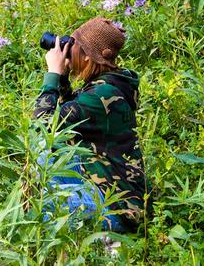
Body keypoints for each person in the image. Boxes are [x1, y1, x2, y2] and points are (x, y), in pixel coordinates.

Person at [33, 17, 152, 233]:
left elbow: (42, 122)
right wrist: (63, 79)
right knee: (44, 156)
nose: (68, 50)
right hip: (109, 186)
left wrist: (52, 74)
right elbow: (66, 124)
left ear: (88, 57)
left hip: (118, 209)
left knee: (43, 204)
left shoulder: (102, 94)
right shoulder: (109, 84)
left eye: (74, 45)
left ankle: (108, 241)